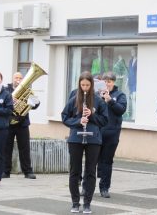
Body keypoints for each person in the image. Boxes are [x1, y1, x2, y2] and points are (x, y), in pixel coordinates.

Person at [61, 71, 108, 214]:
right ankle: (75, 203)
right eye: (83, 85)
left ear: (92, 85)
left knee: (90, 172)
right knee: (74, 171)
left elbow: (105, 121)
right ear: (79, 85)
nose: (85, 88)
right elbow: (64, 117)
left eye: (88, 85)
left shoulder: (98, 101)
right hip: (76, 138)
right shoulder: (74, 99)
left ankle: (87, 203)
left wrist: (92, 115)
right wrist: (78, 121)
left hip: (93, 138)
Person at [96, 72, 127, 198]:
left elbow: (121, 110)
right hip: (97, 132)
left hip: (112, 133)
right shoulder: (97, 95)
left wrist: (110, 100)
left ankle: (104, 188)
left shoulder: (120, 95)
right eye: (105, 82)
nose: (107, 84)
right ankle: (87, 187)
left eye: (110, 81)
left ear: (113, 82)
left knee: (107, 161)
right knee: (92, 161)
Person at [3, 72, 39, 179]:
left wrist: (29, 100)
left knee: (24, 148)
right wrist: (11, 100)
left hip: (22, 122)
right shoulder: (6, 90)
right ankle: (5, 171)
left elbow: (35, 105)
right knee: (6, 148)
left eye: (20, 78)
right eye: (16, 78)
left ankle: (27, 171)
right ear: (12, 79)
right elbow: (2, 103)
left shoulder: (27, 90)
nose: (18, 79)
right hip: (9, 122)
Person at [127, 48, 137, 119]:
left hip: (135, 82)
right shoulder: (130, 61)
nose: (132, 53)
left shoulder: (138, 61)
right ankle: (132, 115)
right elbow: (129, 71)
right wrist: (127, 81)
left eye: (133, 51)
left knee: (134, 98)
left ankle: (134, 116)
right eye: (131, 51)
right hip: (130, 82)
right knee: (131, 98)